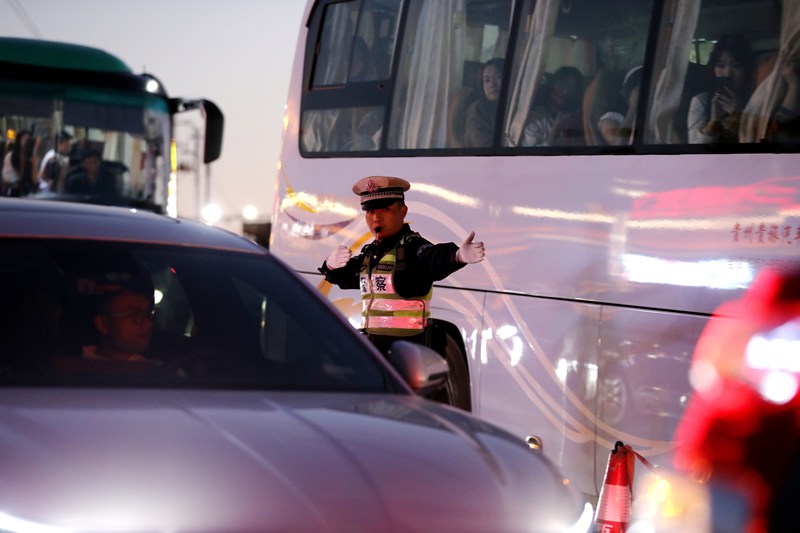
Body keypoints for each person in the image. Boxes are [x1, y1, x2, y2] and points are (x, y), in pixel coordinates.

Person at [319, 176, 485, 354]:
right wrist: (331, 265)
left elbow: (432, 258)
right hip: (375, 350)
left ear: (402, 212)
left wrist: (457, 256)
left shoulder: (413, 247)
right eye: (370, 212)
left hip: (409, 353)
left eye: (385, 210)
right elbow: (347, 278)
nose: (376, 218)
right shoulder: (371, 254)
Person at [687, 33, 756, 144]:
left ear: (746, 70)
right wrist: (714, 123)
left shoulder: (756, 100)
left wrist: (738, 117)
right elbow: (694, 146)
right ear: (713, 69)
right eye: (721, 66)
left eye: (736, 66)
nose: (727, 73)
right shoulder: (701, 102)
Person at [83, 285, 156, 363]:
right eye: (135, 314)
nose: (149, 323)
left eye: (149, 313)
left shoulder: (158, 370)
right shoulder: (75, 368)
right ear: (103, 324)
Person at [521, 66, 585, 147]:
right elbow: (529, 155)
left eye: (572, 88)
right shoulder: (537, 117)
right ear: (552, 85)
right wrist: (556, 130)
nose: (566, 91)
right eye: (562, 84)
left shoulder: (580, 118)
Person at [464, 57, 504, 148]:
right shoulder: (477, 109)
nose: (492, 84)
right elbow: (483, 147)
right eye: (486, 80)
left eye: (498, 77)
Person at [2, 129, 42, 196]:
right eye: (24, 139)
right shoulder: (13, 155)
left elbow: (33, 179)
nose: (26, 142)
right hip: (14, 190)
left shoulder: (29, 157)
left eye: (28, 139)